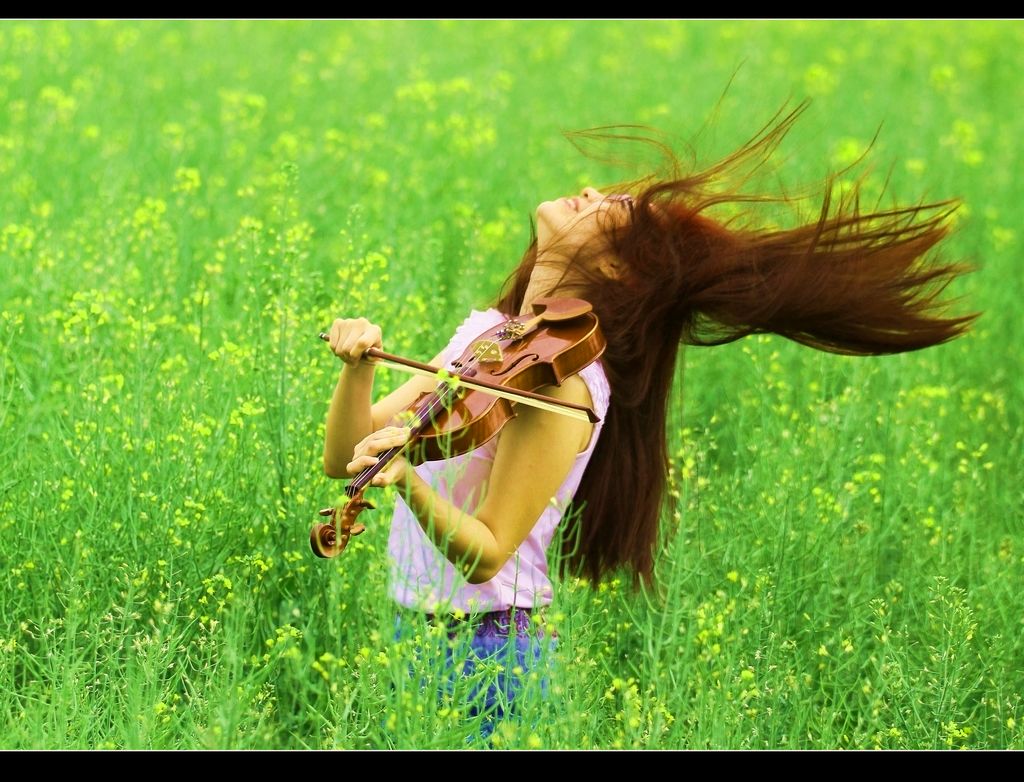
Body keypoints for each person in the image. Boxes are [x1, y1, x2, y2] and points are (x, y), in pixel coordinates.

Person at [320, 101, 979, 743]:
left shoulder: (564, 384)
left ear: (614, 269)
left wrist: (407, 481)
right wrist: (358, 366)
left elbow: (489, 552)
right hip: (412, 635)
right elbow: (345, 453)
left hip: (485, 655)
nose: (588, 191)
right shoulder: (490, 337)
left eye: (612, 210)